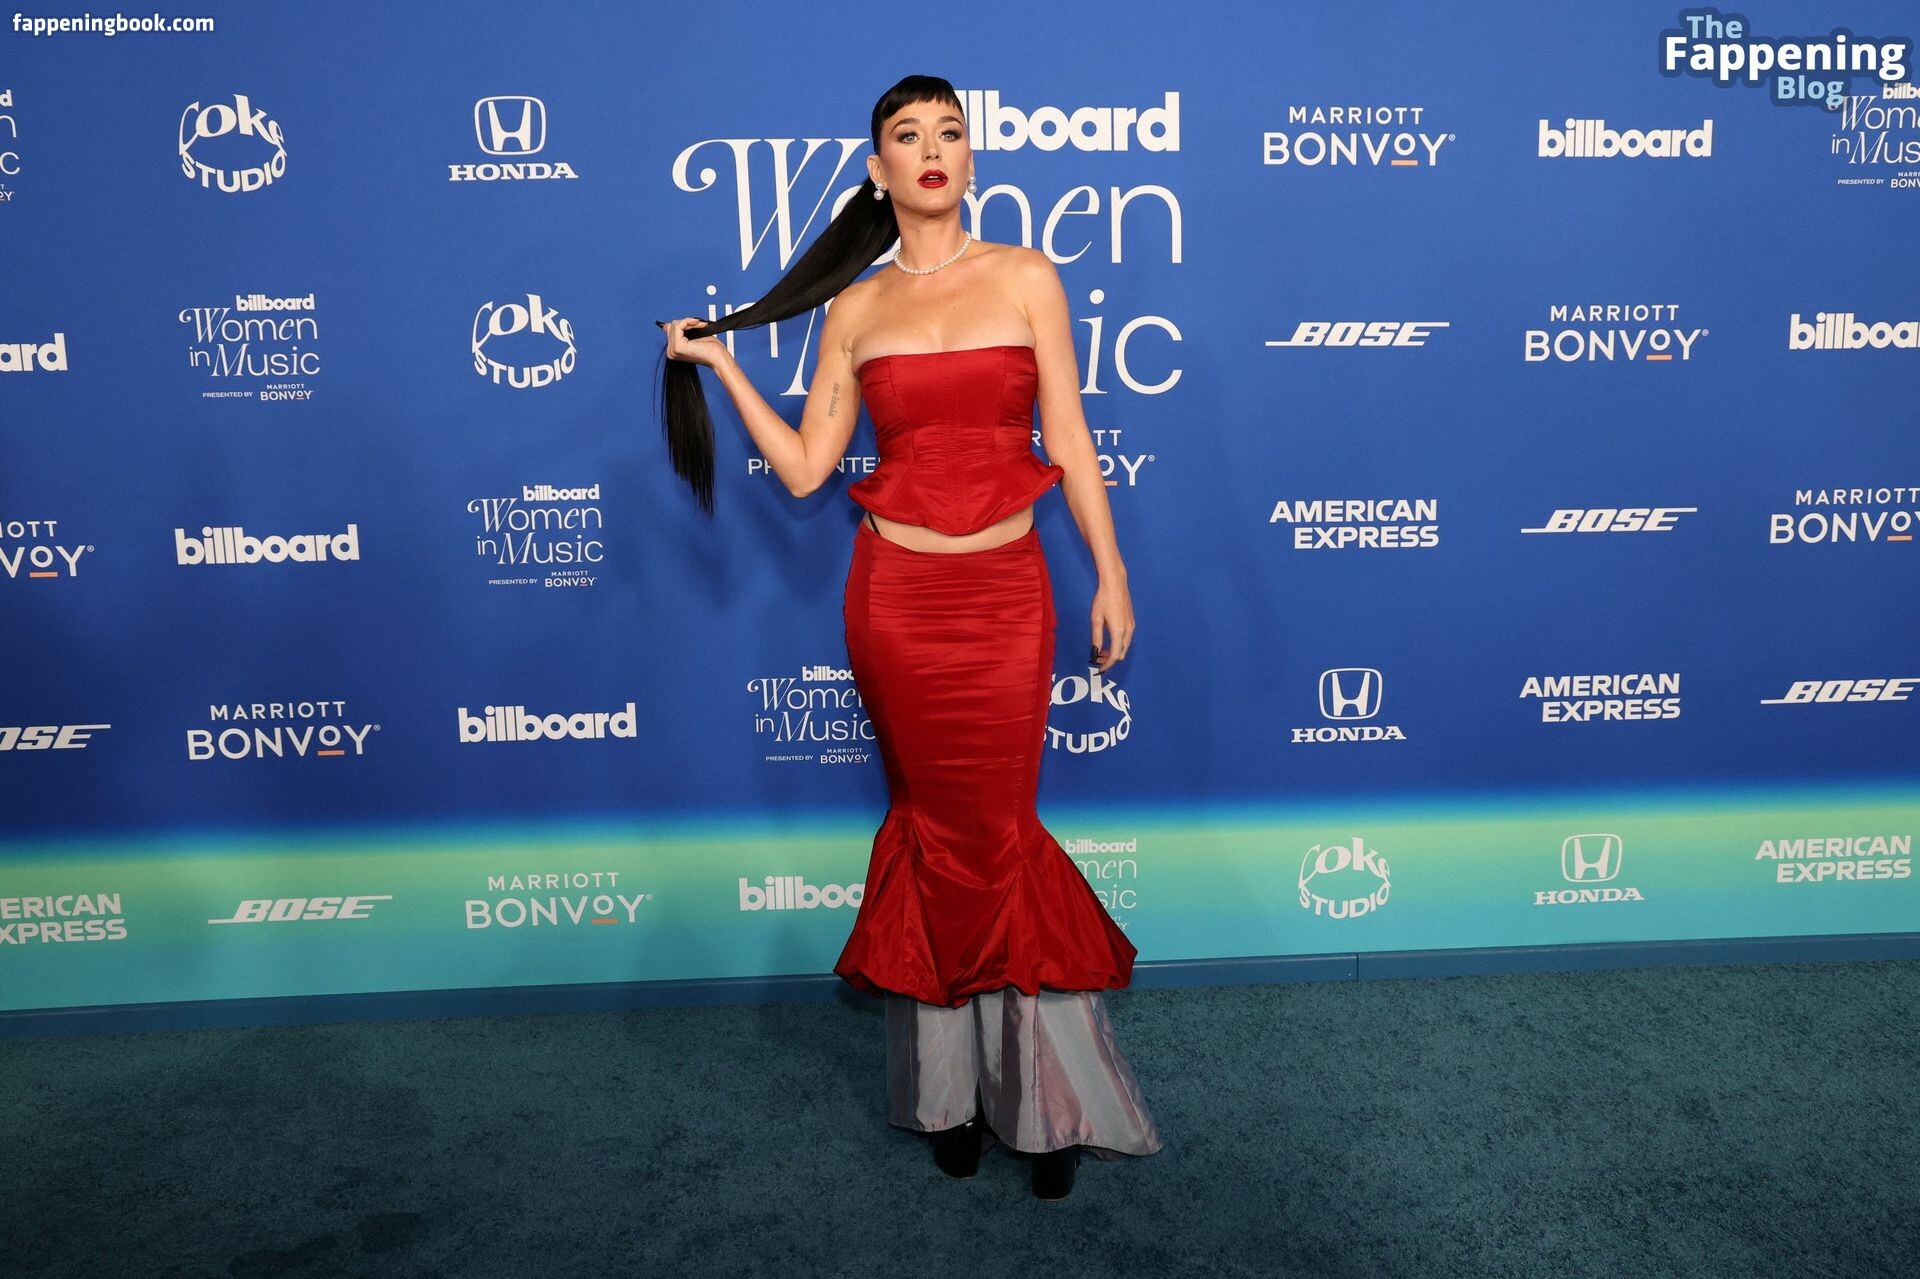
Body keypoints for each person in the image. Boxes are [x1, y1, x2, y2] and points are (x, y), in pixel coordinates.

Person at [658, 75, 1162, 1201]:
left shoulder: (1027, 276)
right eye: (907, 135)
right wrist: (726, 365)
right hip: (895, 604)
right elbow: (805, 471)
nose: (932, 148)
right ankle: (950, 1095)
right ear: (878, 170)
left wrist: (1113, 570)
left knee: (1000, 833)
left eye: (950, 132)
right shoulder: (856, 309)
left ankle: (1044, 1102)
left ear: (971, 159)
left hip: (1008, 600)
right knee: (932, 833)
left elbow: (1071, 435)